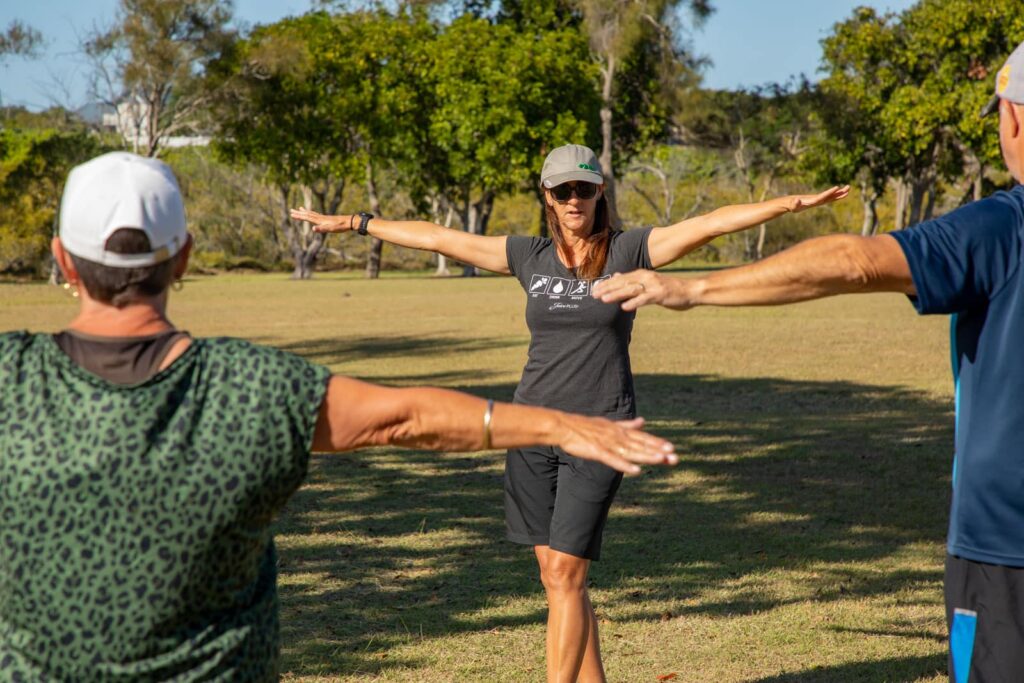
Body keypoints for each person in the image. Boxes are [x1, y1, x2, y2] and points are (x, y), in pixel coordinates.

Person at [0, 151, 679, 681]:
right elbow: (404, 417)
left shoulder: (9, 378)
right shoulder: (255, 386)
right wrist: (563, 425)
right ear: (183, 257)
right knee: (561, 576)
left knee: (565, 578)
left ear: (61, 258)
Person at [290, 143, 847, 683]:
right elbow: (438, 237)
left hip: (599, 431)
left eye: (584, 189)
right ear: (548, 198)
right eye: (563, 191)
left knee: (564, 572)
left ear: (599, 192)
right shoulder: (528, 256)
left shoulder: (631, 250)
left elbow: (711, 222)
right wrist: (357, 223)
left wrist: (787, 204)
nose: (574, 200)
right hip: (527, 429)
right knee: (558, 581)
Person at [592, 41, 1024, 683]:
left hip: (1004, 547)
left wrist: (693, 287)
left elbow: (854, 261)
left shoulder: (1003, 228)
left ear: (1012, 118)